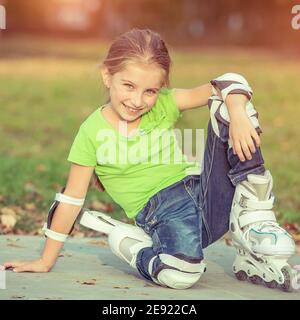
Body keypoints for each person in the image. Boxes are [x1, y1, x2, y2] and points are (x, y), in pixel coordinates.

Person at [2, 28, 295, 290]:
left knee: (230, 100)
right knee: (182, 275)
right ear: (108, 76)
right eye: (128, 86)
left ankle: (254, 218)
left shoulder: (164, 104)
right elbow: (71, 198)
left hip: (205, 194)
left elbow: (229, 81)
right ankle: (140, 248)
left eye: (150, 91)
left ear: (160, 88)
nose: (138, 101)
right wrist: (45, 259)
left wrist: (239, 114)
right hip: (162, 215)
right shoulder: (91, 132)